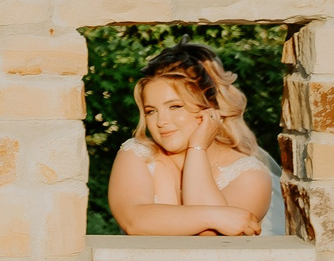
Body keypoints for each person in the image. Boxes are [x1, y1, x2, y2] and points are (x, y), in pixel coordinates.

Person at [106, 42, 285, 237]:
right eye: (151, 111)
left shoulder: (250, 175)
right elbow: (134, 221)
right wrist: (215, 217)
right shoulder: (137, 154)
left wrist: (197, 148)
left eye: (175, 106)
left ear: (210, 108)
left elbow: (208, 242)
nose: (161, 121)